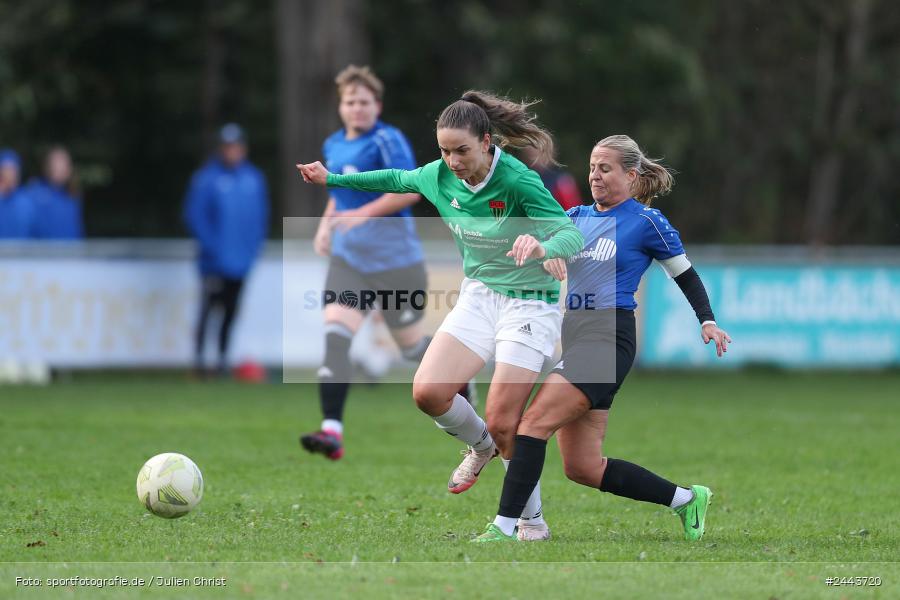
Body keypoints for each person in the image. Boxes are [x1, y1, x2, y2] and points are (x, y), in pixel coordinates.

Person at [298, 90, 585, 541]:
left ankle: (530, 524)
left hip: (530, 300)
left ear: (487, 142)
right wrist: (331, 179)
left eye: (462, 151)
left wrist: (545, 247)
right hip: (479, 295)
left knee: (505, 416)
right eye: (445, 151)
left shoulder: (517, 180)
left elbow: (569, 231)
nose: (451, 161)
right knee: (429, 392)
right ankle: (481, 445)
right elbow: (394, 178)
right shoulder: (437, 175)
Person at [472, 135, 732, 542]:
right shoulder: (573, 217)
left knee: (531, 425)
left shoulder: (646, 221)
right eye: (592, 167)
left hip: (609, 337)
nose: (595, 175)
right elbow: (546, 245)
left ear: (631, 175)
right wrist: (544, 250)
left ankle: (508, 527)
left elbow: (684, 273)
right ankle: (686, 499)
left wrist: (707, 320)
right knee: (582, 467)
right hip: (575, 336)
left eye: (605, 168)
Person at [299, 65, 441, 461]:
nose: (356, 108)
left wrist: (362, 216)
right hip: (350, 262)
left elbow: (410, 190)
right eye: (350, 102)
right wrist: (326, 226)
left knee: (412, 349)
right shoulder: (333, 144)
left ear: (377, 106)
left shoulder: (387, 139)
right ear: (341, 107)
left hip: (397, 263)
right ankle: (332, 430)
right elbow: (337, 190)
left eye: (364, 102)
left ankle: (457, 375)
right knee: (336, 336)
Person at [183, 123, 269, 376]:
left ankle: (221, 361)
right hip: (213, 262)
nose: (232, 151)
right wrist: (213, 249)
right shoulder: (206, 178)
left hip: (241, 262)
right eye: (228, 147)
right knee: (208, 311)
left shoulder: (253, 179)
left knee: (230, 313)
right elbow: (195, 216)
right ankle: (199, 362)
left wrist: (253, 250)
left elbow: (260, 219)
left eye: (236, 146)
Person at [27, 146, 84, 239]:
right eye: (57, 163)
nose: (61, 168)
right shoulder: (33, 192)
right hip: (42, 251)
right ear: (47, 166)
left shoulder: (73, 195)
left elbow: (77, 230)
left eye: (65, 163)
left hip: (72, 251)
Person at [518, 145, 581, 210]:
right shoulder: (520, 181)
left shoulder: (562, 181)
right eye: (530, 153)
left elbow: (573, 213)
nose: (534, 156)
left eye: (539, 152)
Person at [0, 149, 33, 239]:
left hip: (23, 251)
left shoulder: (27, 201)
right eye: (6, 169)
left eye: (13, 169)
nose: (9, 174)